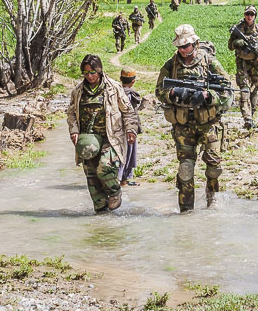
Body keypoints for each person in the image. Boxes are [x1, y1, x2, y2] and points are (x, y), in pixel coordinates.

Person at [155, 24, 232, 212]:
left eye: (185, 46)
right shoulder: (171, 65)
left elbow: (228, 93)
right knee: (186, 169)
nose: (182, 50)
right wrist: (172, 93)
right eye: (179, 46)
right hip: (183, 126)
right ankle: (186, 211)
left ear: (195, 43)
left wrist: (207, 96)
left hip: (208, 124)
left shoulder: (210, 63)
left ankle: (212, 201)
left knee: (214, 166)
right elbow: (159, 90)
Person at [66, 55, 139, 213]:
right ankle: (102, 216)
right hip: (88, 139)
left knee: (105, 168)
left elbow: (128, 111)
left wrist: (131, 129)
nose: (90, 76)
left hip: (111, 137)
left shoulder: (113, 88)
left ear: (99, 71)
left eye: (92, 72)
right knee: (92, 177)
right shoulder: (78, 91)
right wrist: (74, 131)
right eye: (86, 73)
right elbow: (71, 113)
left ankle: (115, 192)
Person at [227, 5, 258, 129]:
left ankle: (251, 115)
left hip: (256, 64)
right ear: (244, 15)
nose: (249, 16)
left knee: (254, 90)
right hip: (242, 64)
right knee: (244, 90)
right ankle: (247, 119)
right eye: (247, 14)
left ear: (255, 16)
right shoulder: (238, 29)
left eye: (251, 14)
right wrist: (237, 43)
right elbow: (230, 46)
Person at [119, 68, 146, 189]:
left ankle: (120, 180)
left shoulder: (118, 93)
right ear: (133, 81)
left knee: (122, 154)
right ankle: (123, 181)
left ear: (120, 79)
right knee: (128, 154)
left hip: (119, 129)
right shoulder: (130, 95)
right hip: (130, 130)